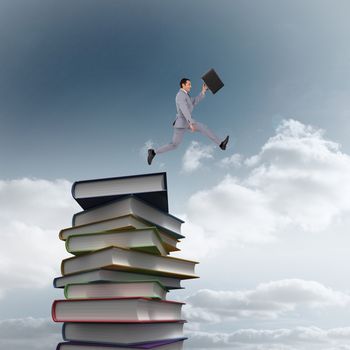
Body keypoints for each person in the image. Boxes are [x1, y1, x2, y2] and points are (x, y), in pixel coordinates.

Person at [147, 78, 229, 165]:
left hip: (184, 123)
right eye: (189, 84)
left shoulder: (186, 95)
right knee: (176, 144)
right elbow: (184, 110)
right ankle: (153, 152)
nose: (191, 86)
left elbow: (194, 101)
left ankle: (221, 144)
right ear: (183, 85)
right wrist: (190, 123)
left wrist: (203, 91)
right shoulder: (180, 95)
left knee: (177, 143)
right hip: (182, 123)